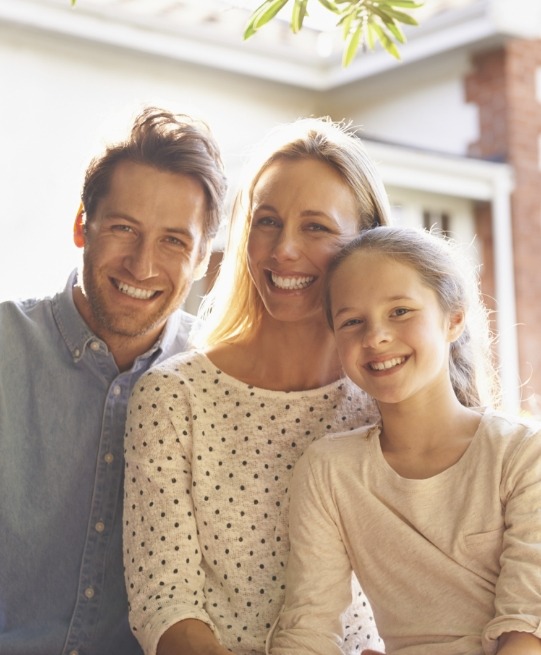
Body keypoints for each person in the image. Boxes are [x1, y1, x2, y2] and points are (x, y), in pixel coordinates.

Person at [123, 116, 392, 655]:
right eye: (266, 222)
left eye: (315, 227)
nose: (283, 250)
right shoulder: (174, 397)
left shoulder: (391, 399)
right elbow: (165, 605)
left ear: (367, 242)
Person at [0, 106, 227, 655]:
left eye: (174, 241)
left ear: (200, 260)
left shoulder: (220, 379)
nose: (143, 265)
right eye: (124, 228)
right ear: (83, 226)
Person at [269, 225, 541, 655]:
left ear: (453, 319)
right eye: (352, 321)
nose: (375, 336)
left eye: (400, 312)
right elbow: (309, 629)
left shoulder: (523, 454)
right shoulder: (329, 471)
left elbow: (528, 634)